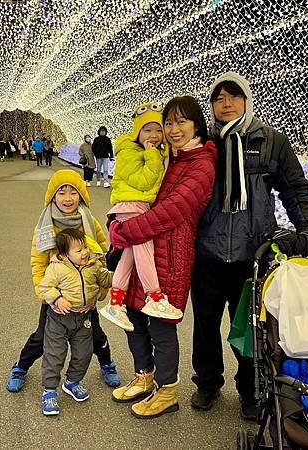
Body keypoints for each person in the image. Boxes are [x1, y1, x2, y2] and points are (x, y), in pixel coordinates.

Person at [189, 72, 308, 420]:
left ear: (247, 101)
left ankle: (249, 389)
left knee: (250, 327)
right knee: (205, 325)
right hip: (207, 251)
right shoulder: (203, 144)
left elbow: (295, 188)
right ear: (213, 106)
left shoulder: (272, 142)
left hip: (254, 254)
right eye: (219, 98)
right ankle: (207, 382)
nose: (227, 103)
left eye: (234, 96)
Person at [108, 96, 217, 419]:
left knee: (161, 325)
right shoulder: (169, 156)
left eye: (181, 122)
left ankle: (167, 390)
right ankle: (145, 376)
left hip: (170, 255)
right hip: (147, 247)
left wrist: (125, 232)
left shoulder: (202, 164)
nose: (173, 129)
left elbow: (172, 211)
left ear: (197, 125)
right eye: (168, 122)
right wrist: (119, 220)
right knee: (135, 316)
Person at [6, 169, 121, 393]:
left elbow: (102, 254)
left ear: (82, 195)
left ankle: (107, 364)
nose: (68, 198)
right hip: (55, 297)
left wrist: (100, 290)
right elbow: (38, 262)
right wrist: (46, 296)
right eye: (61, 193)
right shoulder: (45, 226)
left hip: (84, 293)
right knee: (41, 337)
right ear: (52, 196)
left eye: (73, 192)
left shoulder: (89, 221)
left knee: (95, 335)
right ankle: (20, 367)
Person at [100, 102, 183, 332]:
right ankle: (154, 297)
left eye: (158, 130)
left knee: (129, 256)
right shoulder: (128, 152)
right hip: (130, 207)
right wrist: (151, 154)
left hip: (137, 207)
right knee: (146, 252)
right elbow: (144, 181)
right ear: (137, 132)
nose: (154, 135)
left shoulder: (153, 151)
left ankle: (115, 302)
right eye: (147, 130)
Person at [38, 228, 113, 415]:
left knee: (84, 353)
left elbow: (105, 279)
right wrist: (57, 299)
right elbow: (45, 286)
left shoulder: (93, 265)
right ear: (64, 254)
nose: (85, 252)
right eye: (78, 250)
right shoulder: (57, 267)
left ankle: (72, 382)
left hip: (83, 318)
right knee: (55, 354)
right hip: (59, 319)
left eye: (85, 247)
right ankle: (49, 391)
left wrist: (122, 272)